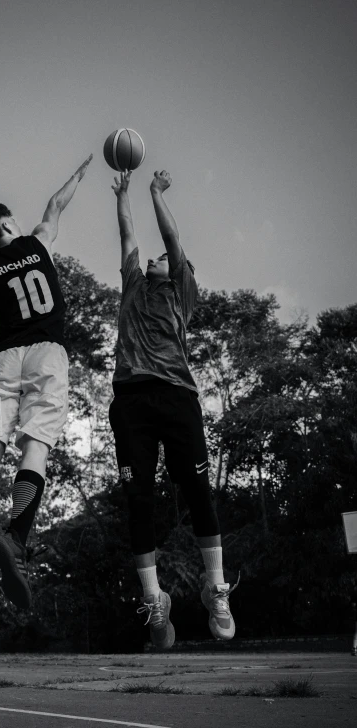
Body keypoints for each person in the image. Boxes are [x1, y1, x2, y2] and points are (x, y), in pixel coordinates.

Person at [0, 154, 93, 609]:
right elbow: (55, 206)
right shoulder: (38, 242)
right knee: (36, 444)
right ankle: (14, 538)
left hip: (6, 356)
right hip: (47, 351)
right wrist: (78, 174)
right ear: (9, 223)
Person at [108, 168, 238, 649]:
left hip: (177, 396)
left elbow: (170, 235)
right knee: (137, 498)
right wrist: (122, 196)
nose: (159, 258)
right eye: (156, 259)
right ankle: (154, 598)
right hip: (131, 400)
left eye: (167, 259)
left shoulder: (182, 290)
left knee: (198, 491)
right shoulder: (133, 286)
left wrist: (155, 192)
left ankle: (215, 589)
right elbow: (128, 235)